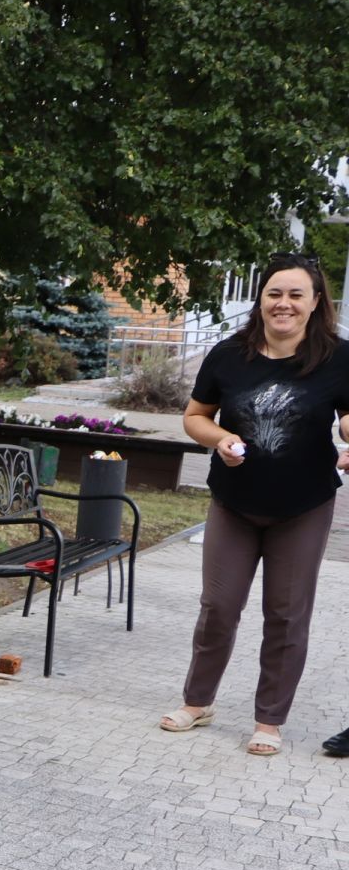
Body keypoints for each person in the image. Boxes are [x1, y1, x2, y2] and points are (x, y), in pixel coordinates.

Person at [159, 254, 349, 756]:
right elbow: (195, 416)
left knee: (286, 615)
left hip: (303, 506)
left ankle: (269, 720)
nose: (283, 304)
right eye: (274, 293)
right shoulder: (228, 354)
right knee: (218, 607)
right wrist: (219, 437)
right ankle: (198, 702)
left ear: (314, 303)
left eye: (295, 295)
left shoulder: (339, 357)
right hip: (234, 503)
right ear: (260, 299)